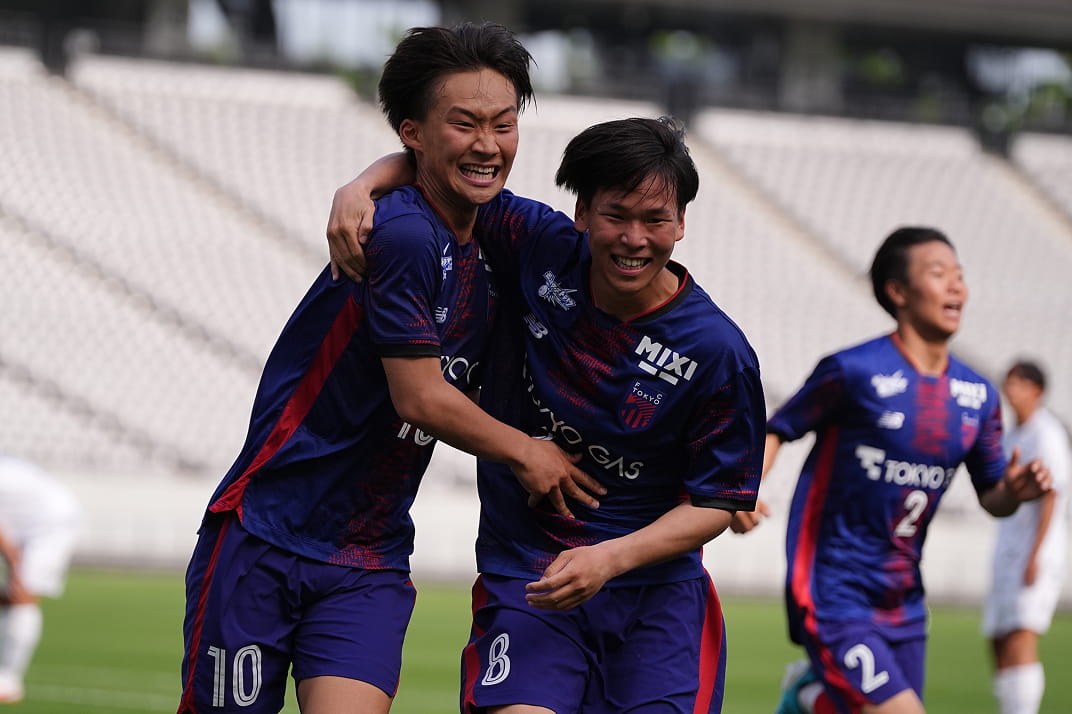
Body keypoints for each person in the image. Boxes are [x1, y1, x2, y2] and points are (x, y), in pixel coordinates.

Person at [178, 23, 603, 714]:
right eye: (464, 124)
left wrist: (364, 179)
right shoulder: (404, 234)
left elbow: (603, 247)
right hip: (265, 534)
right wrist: (528, 452)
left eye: (503, 125)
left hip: (368, 555)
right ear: (415, 132)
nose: (488, 145)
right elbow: (420, 398)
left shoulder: (495, 227)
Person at [327, 116, 766, 713]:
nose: (634, 238)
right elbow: (446, 177)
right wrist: (361, 185)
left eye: (655, 220)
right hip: (530, 577)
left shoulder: (717, 351)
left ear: (682, 223)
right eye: (616, 215)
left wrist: (609, 558)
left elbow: (718, 502)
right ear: (582, 212)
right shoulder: (539, 244)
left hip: (656, 601)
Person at [731, 226, 1053, 714]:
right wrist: (745, 489)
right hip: (833, 587)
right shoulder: (853, 371)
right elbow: (778, 429)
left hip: (904, 599)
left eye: (960, 274)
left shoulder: (978, 396)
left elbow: (993, 497)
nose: (956, 286)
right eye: (938, 273)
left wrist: (1016, 490)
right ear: (898, 291)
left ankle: (811, 698)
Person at [982, 360, 1070, 714]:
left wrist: (1035, 554)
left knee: (1021, 633)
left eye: (1018, 383)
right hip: (1008, 547)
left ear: (1038, 391)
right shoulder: (1011, 435)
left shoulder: (1047, 434)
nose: (1011, 390)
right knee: (998, 638)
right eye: (1009, 382)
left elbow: (1052, 495)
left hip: (1035, 550)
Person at [0, 455, 81, 704]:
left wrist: (15, 564)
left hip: (50, 523)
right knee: (13, 596)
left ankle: (8, 680)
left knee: (22, 593)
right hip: (26, 522)